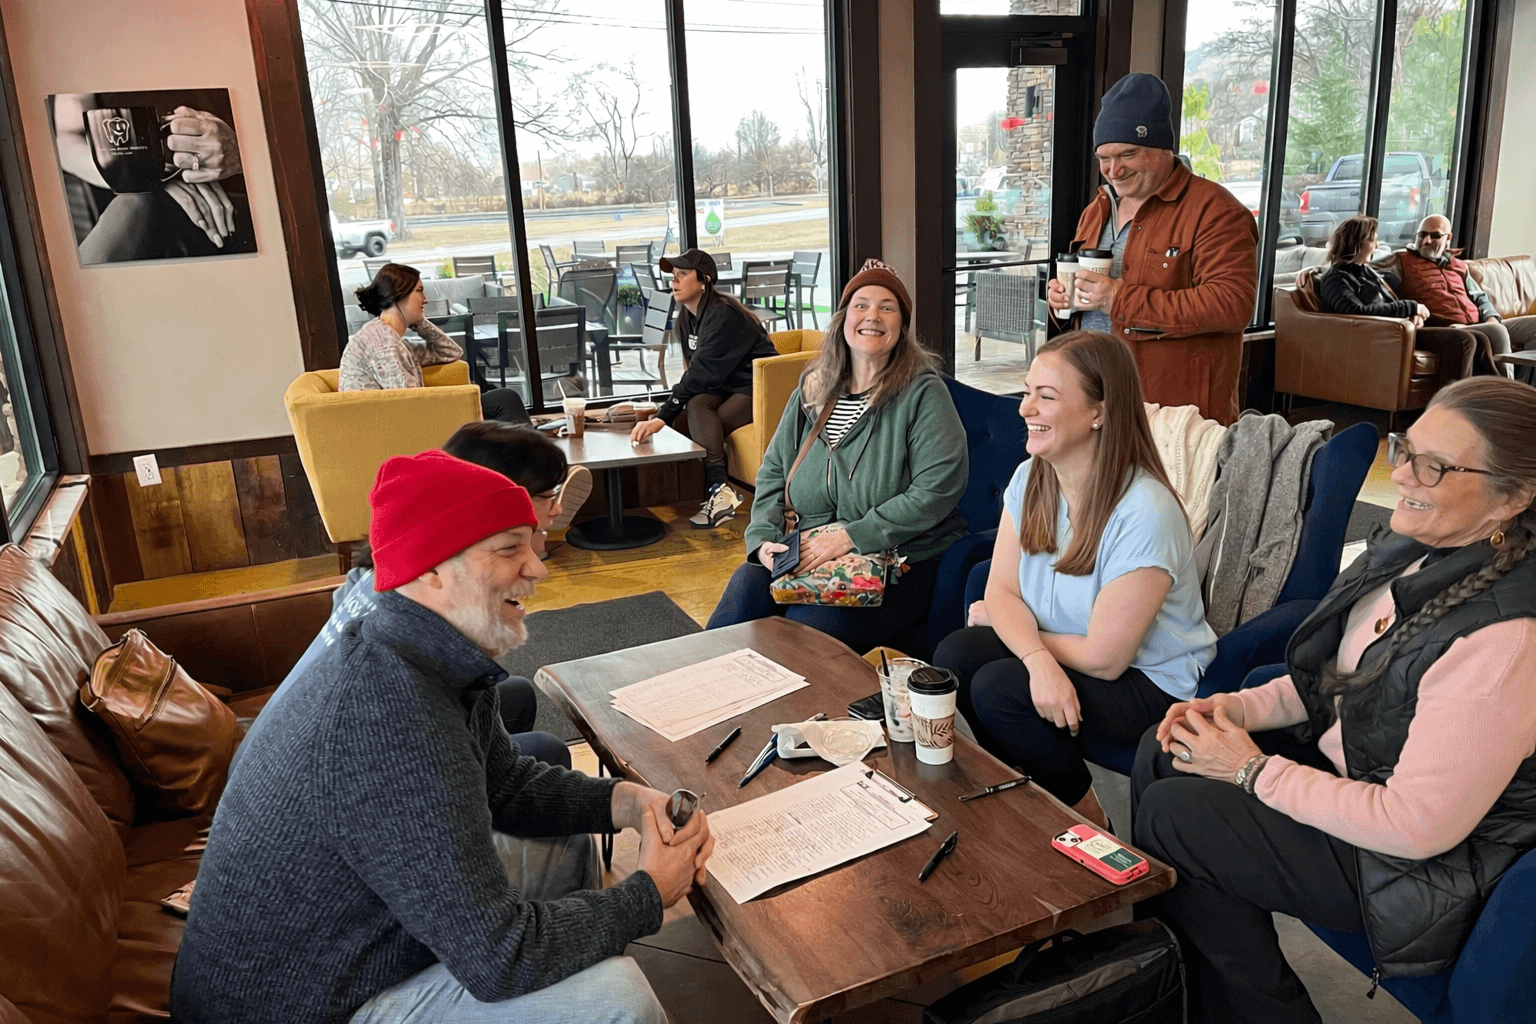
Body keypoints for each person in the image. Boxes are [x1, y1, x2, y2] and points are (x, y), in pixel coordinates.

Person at [172, 450, 712, 1024]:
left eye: (531, 543)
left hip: (354, 947)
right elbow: (500, 957)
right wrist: (649, 892)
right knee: (617, 1001)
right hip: (301, 1007)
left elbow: (502, 784)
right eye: (509, 549)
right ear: (431, 569)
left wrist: (624, 802)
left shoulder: (421, 644)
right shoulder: (383, 713)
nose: (539, 568)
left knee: (564, 844)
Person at [1131, 376, 1536, 1024]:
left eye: (1433, 468)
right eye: (1404, 450)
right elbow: (1336, 679)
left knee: (1182, 817)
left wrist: (1249, 768)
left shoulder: (1507, 643)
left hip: (1423, 867)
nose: (1401, 476)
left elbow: (1416, 826)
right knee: (1165, 748)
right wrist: (1236, 711)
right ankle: (1184, 987)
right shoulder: (1413, 549)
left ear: (1513, 496)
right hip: (1363, 783)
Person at [933, 331, 1216, 826]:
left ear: (1099, 412)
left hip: (1150, 679)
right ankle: (1029, 789)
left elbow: (1106, 659)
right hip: (1077, 647)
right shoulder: (1032, 476)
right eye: (1027, 392)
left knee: (1001, 688)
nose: (1024, 409)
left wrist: (1021, 640)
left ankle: (1089, 822)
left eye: (1046, 397)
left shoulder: (1145, 511)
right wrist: (1036, 656)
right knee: (956, 654)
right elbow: (998, 591)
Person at [273, 421, 592, 768]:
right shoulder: (410, 637)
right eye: (546, 495)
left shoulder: (379, 571)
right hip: (349, 758)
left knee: (514, 693)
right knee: (548, 749)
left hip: (287, 729)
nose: (558, 508)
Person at [706, 259, 968, 653]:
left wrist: (850, 535)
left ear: (902, 325)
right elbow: (774, 470)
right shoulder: (813, 390)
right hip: (807, 550)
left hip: (894, 562)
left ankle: (781, 710)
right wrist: (763, 538)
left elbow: (937, 488)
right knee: (746, 586)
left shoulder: (923, 394)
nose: (872, 316)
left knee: (800, 635)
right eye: (861, 305)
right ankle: (702, 695)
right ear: (843, 318)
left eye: (887, 307)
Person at [1048, 73, 1258, 425]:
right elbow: (1087, 303)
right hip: (1095, 401)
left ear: (1164, 150)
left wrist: (1119, 299)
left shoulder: (1218, 212)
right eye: (1104, 158)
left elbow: (1232, 305)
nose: (1113, 170)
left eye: (1128, 154)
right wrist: (1060, 300)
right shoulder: (1097, 209)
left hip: (1176, 417)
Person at [628, 248, 779, 528]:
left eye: (682, 274)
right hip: (724, 385)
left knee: (705, 426)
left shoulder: (723, 314)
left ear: (704, 280)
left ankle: (718, 493)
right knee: (694, 410)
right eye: (673, 275)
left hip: (756, 388)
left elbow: (700, 373)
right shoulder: (686, 319)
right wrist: (670, 413)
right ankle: (719, 492)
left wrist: (663, 415)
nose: (674, 281)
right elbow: (698, 376)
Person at [1316, 215, 1497, 386]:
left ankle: (1493, 399)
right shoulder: (1336, 278)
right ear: (1356, 244)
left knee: (1479, 338)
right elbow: (1356, 311)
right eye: (1373, 240)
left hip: (1401, 328)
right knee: (1464, 340)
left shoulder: (1366, 271)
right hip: (1386, 335)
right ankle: (1448, 407)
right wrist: (1411, 307)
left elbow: (1385, 302)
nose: (1377, 246)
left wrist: (1413, 314)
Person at [340, 262, 531, 423]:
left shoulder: (389, 338)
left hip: (398, 418)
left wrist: (419, 322)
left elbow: (450, 352)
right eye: (420, 292)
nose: (426, 299)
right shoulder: (384, 344)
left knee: (503, 399)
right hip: (393, 426)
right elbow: (407, 404)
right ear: (399, 294)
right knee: (505, 400)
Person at [1375, 214, 1530, 378]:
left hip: (1481, 323)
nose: (1426, 241)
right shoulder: (1400, 261)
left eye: (1435, 236)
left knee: (1531, 328)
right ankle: (1508, 395)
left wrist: (1491, 317)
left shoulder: (1459, 266)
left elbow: (1480, 297)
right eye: (1422, 235)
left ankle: (1527, 389)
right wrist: (1410, 310)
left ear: (1448, 238)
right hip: (1449, 328)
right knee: (1497, 331)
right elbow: (1368, 274)